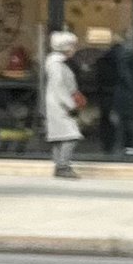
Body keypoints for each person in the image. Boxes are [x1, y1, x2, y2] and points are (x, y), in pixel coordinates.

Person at [40, 29, 82, 178]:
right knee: (71, 135)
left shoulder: (56, 63)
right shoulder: (57, 65)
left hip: (56, 104)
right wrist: (70, 104)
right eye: (73, 46)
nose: (74, 49)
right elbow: (59, 87)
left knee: (59, 136)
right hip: (59, 105)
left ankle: (59, 165)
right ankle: (63, 166)